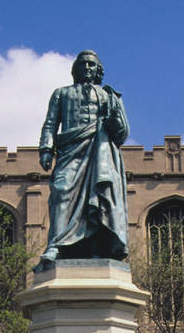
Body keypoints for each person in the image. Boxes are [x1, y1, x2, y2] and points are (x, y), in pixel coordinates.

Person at [37, 50, 129, 270]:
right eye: (83, 65)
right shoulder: (61, 94)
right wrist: (46, 149)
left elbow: (122, 133)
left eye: (91, 65)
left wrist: (114, 116)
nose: (87, 68)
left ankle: (98, 248)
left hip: (101, 153)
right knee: (61, 191)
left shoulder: (109, 96)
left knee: (99, 198)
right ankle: (56, 246)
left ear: (98, 70)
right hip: (70, 150)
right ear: (75, 70)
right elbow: (50, 124)